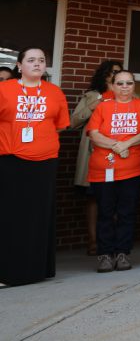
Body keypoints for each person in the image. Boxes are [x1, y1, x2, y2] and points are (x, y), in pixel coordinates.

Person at [0, 47, 70, 286]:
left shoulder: (54, 92)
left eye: (41, 60)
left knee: (39, 217)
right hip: (11, 161)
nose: (37, 64)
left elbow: (60, 125)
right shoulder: (4, 89)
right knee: (11, 217)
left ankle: (37, 270)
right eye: (31, 60)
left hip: (45, 162)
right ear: (19, 65)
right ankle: (8, 272)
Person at [86, 69, 140, 271]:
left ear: (134, 85)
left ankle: (123, 253)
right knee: (105, 212)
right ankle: (105, 255)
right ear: (113, 86)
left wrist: (126, 145)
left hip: (133, 169)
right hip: (103, 169)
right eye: (120, 83)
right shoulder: (102, 108)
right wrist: (116, 145)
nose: (125, 87)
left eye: (129, 83)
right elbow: (94, 134)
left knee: (127, 212)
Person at [71, 59, 121, 256]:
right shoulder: (92, 96)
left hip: (119, 152)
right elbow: (74, 121)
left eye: (119, 72)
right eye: (112, 72)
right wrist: (96, 103)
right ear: (104, 75)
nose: (116, 75)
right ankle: (93, 241)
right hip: (93, 152)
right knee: (93, 197)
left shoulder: (127, 94)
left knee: (117, 197)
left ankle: (114, 240)